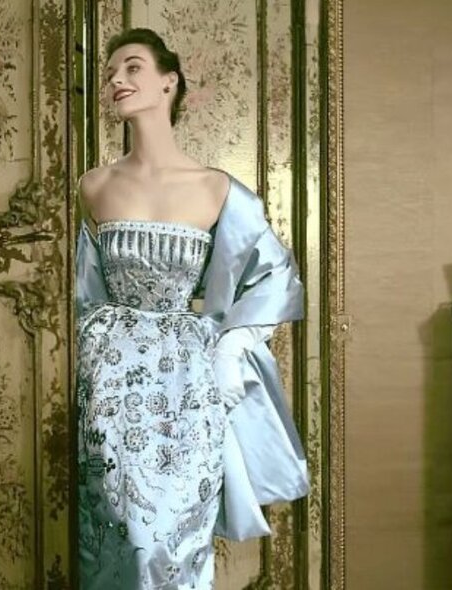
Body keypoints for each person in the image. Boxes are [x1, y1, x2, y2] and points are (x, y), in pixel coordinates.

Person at [74, 28, 309, 588]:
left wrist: (232, 347)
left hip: (190, 386)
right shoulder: (94, 186)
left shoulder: (217, 189)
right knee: (121, 537)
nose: (116, 80)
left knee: (178, 539)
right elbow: (87, 293)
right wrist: (94, 358)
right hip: (112, 389)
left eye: (132, 67)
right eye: (111, 73)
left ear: (168, 82)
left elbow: (276, 274)